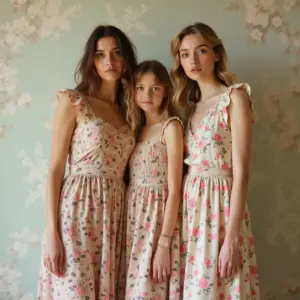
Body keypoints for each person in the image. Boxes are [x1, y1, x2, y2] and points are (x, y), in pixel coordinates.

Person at [37, 25, 137, 299]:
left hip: (115, 216)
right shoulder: (74, 101)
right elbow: (56, 169)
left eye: (117, 53)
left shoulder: (131, 110)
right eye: (101, 54)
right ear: (91, 61)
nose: (110, 62)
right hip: (76, 212)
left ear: (126, 58)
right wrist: (52, 234)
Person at [170, 22, 260, 299]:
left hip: (221, 209)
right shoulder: (189, 107)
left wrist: (232, 237)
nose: (193, 61)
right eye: (185, 54)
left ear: (216, 54)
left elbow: (242, 172)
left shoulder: (235, 97)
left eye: (201, 51)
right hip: (190, 210)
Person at [124, 60, 183, 299]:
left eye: (155, 88)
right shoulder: (134, 130)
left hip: (158, 223)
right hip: (134, 220)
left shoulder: (171, 127)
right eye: (140, 88)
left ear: (165, 91)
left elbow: (175, 189)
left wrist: (163, 244)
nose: (147, 94)